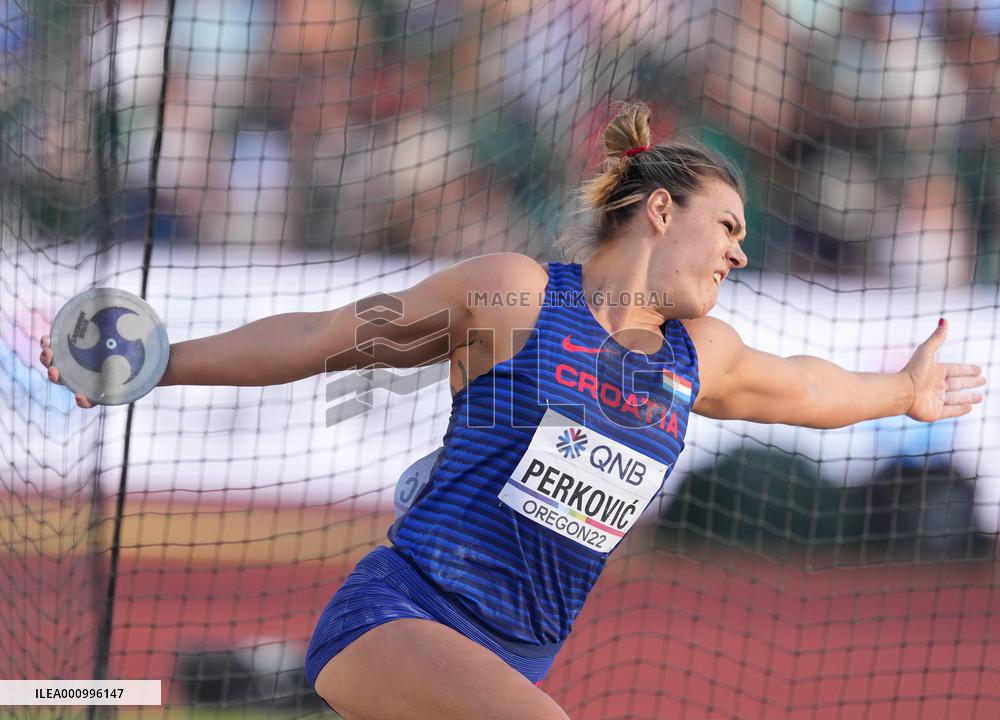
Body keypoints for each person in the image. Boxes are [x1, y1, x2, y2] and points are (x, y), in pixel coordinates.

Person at [39, 102, 986, 720]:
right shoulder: (516, 296)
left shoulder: (705, 357)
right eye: (728, 226)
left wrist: (903, 393)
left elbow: (812, 389)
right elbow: (328, 337)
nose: (739, 253)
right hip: (403, 617)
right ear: (660, 210)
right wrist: (160, 364)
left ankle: (223, 693)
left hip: (514, 659)